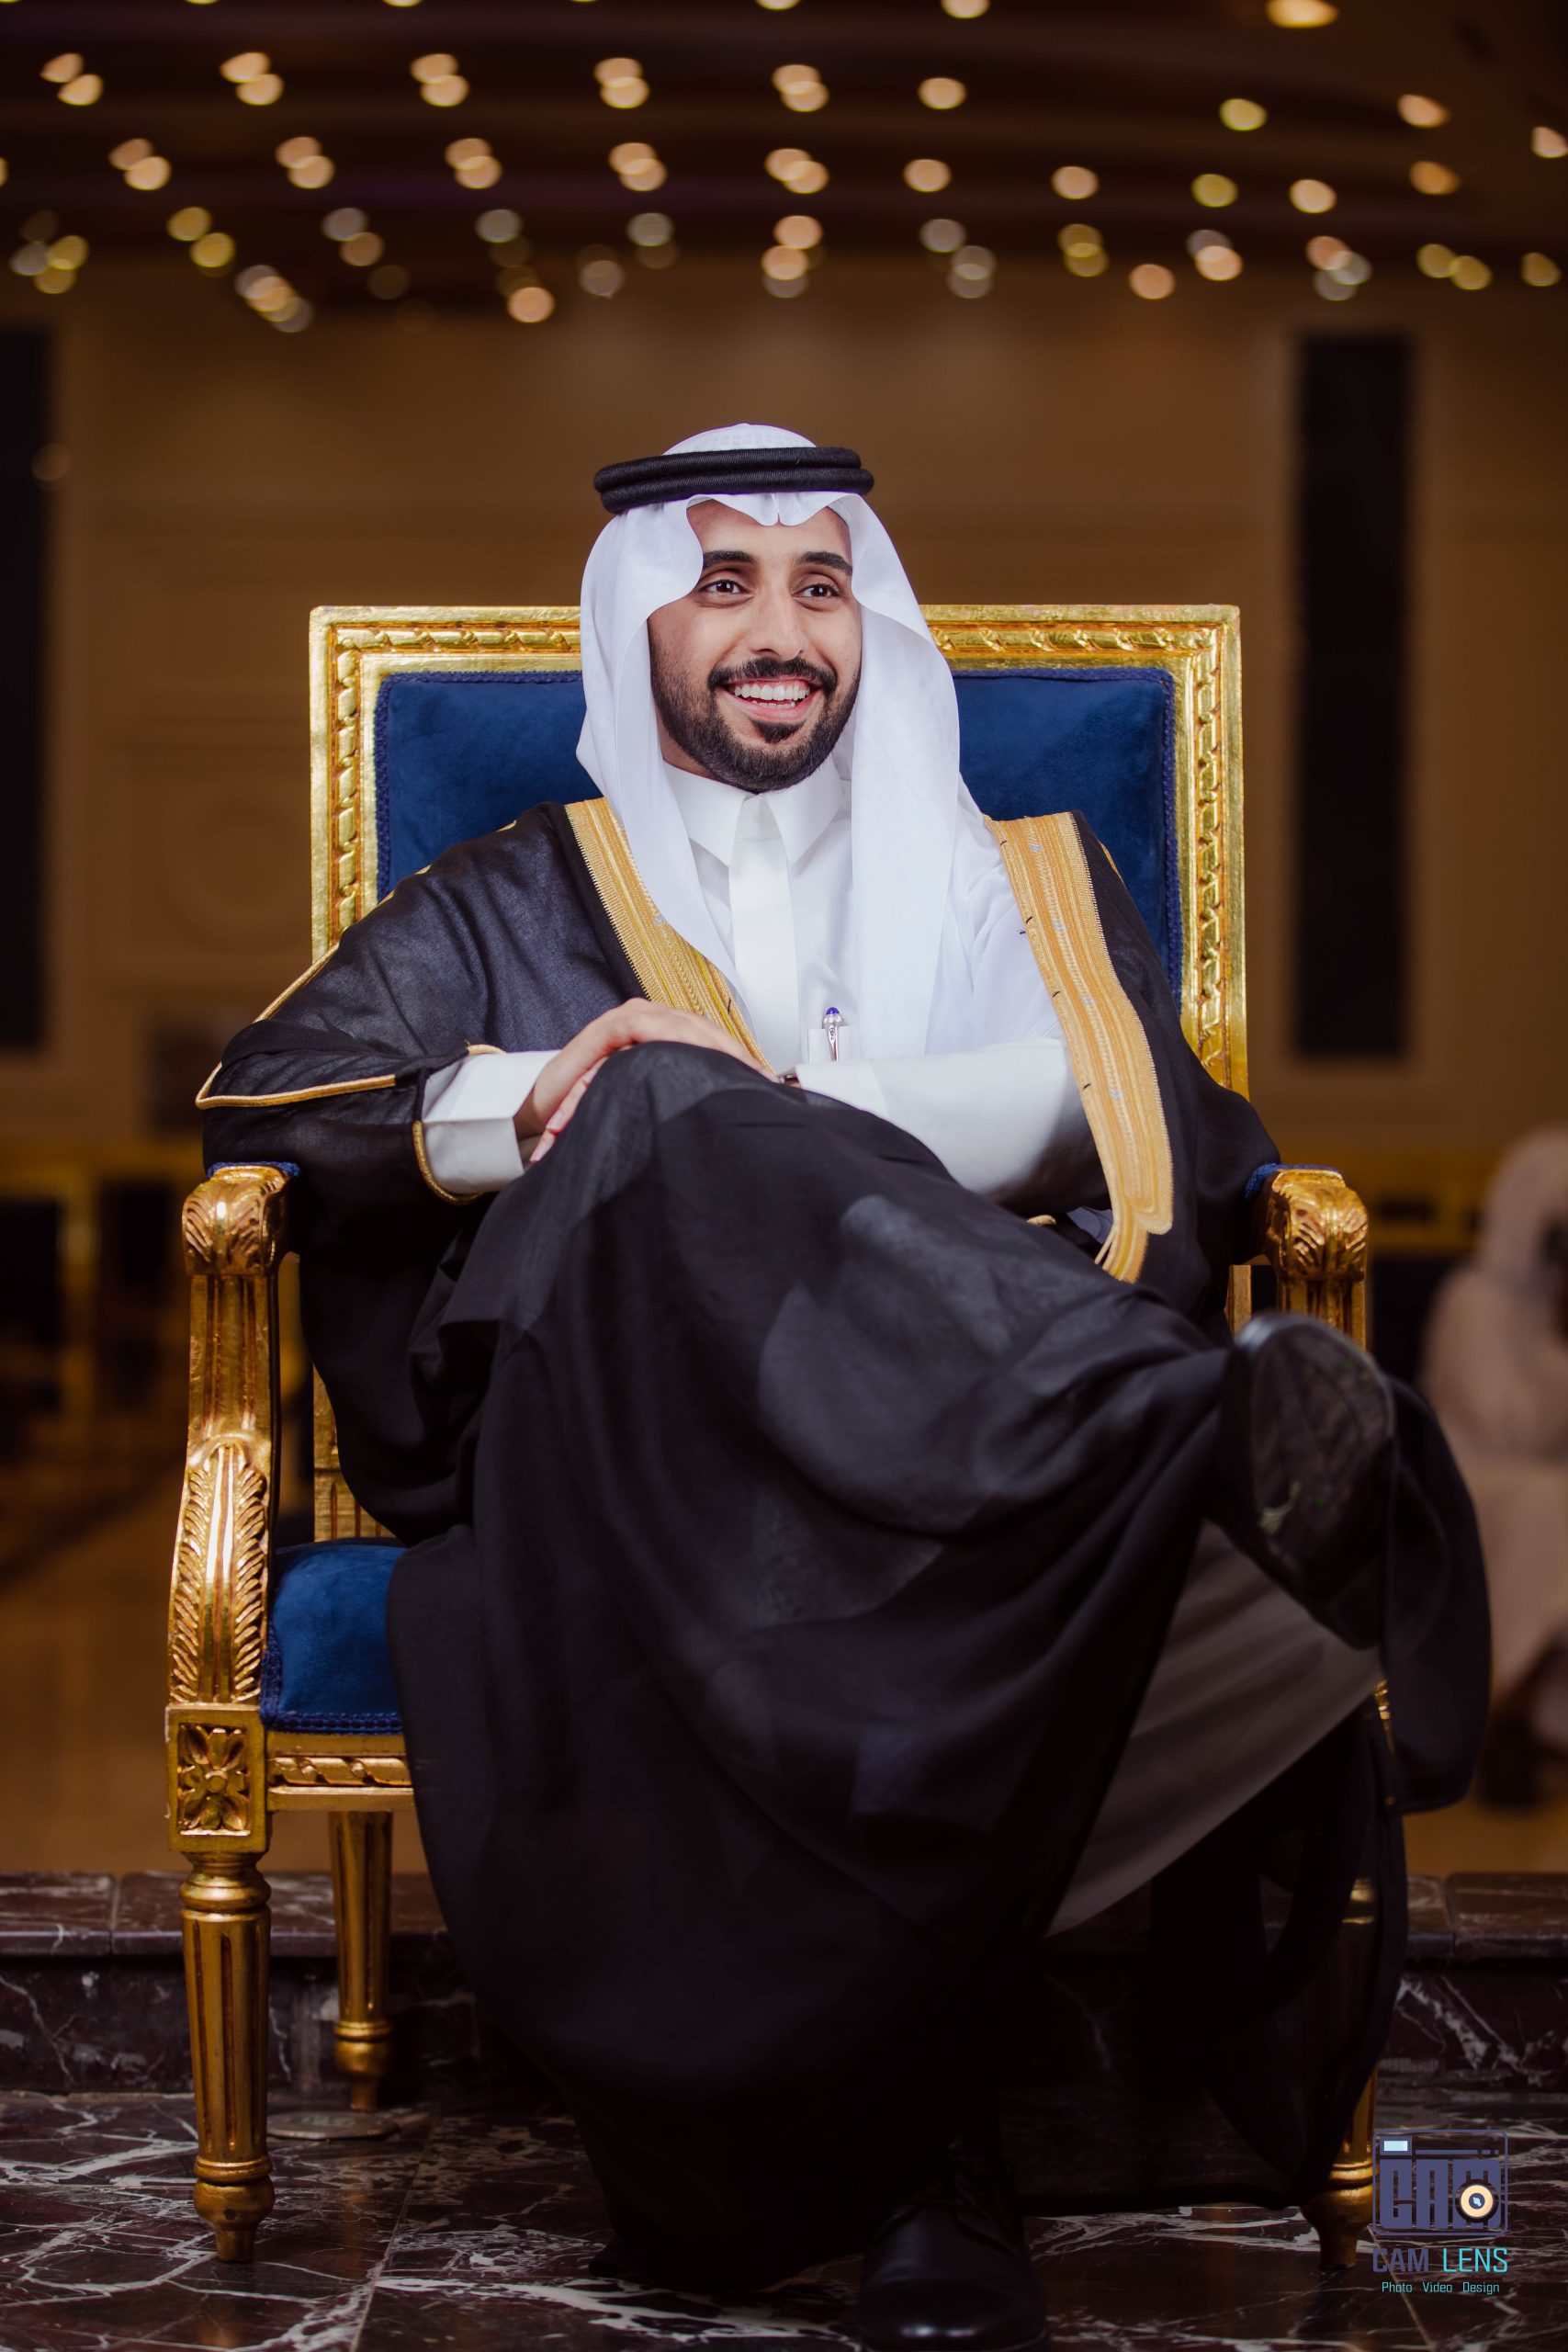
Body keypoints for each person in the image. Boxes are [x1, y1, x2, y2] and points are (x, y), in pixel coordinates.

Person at [201, 425, 1486, 2350]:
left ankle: (920, 2160)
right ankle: (1179, 1447)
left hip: (930, 1447)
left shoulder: (1018, 881)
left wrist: (803, 1111)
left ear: (867, 621)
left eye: (820, 586)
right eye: (721, 585)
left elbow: (1160, 1129)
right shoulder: (512, 893)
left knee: (719, 1127)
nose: (778, 632)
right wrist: (563, 1095)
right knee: (655, 1099)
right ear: (640, 627)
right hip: (621, 1441)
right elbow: (273, 1108)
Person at [1423, 1129, 1568, 1804]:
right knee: (1546, 1505)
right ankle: (1508, 1699)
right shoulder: (1474, 1301)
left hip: (1541, 1483)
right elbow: (1508, 1428)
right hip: (1472, 1483)